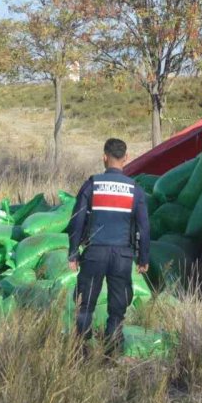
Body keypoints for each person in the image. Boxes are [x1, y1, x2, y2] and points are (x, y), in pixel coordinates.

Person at [68, 138, 151, 355]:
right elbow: (144, 227)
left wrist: (73, 253)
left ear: (104, 157)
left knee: (84, 305)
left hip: (94, 254)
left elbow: (77, 221)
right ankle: (112, 353)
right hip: (122, 257)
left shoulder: (92, 185)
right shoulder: (135, 190)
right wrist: (143, 259)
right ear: (126, 158)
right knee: (117, 310)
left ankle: (81, 354)